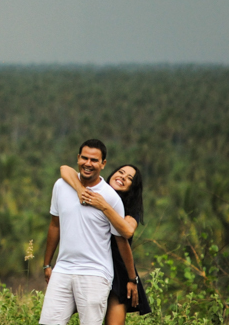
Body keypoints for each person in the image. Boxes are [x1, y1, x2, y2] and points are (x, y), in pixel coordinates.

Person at [39, 139, 137, 325]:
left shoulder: (110, 198)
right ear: (78, 158)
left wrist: (132, 278)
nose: (88, 164)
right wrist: (47, 264)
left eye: (94, 160)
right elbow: (55, 226)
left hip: (95, 273)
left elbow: (122, 241)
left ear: (103, 164)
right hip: (63, 269)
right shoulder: (61, 186)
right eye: (84, 158)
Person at [60, 162, 152, 324]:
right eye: (121, 172)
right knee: (60, 313)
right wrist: (80, 189)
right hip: (90, 265)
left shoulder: (129, 210)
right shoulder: (94, 193)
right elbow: (65, 169)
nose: (123, 177)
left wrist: (104, 206)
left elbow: (127, 231)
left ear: (133, 187)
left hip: (119, 271)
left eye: (129, 178)